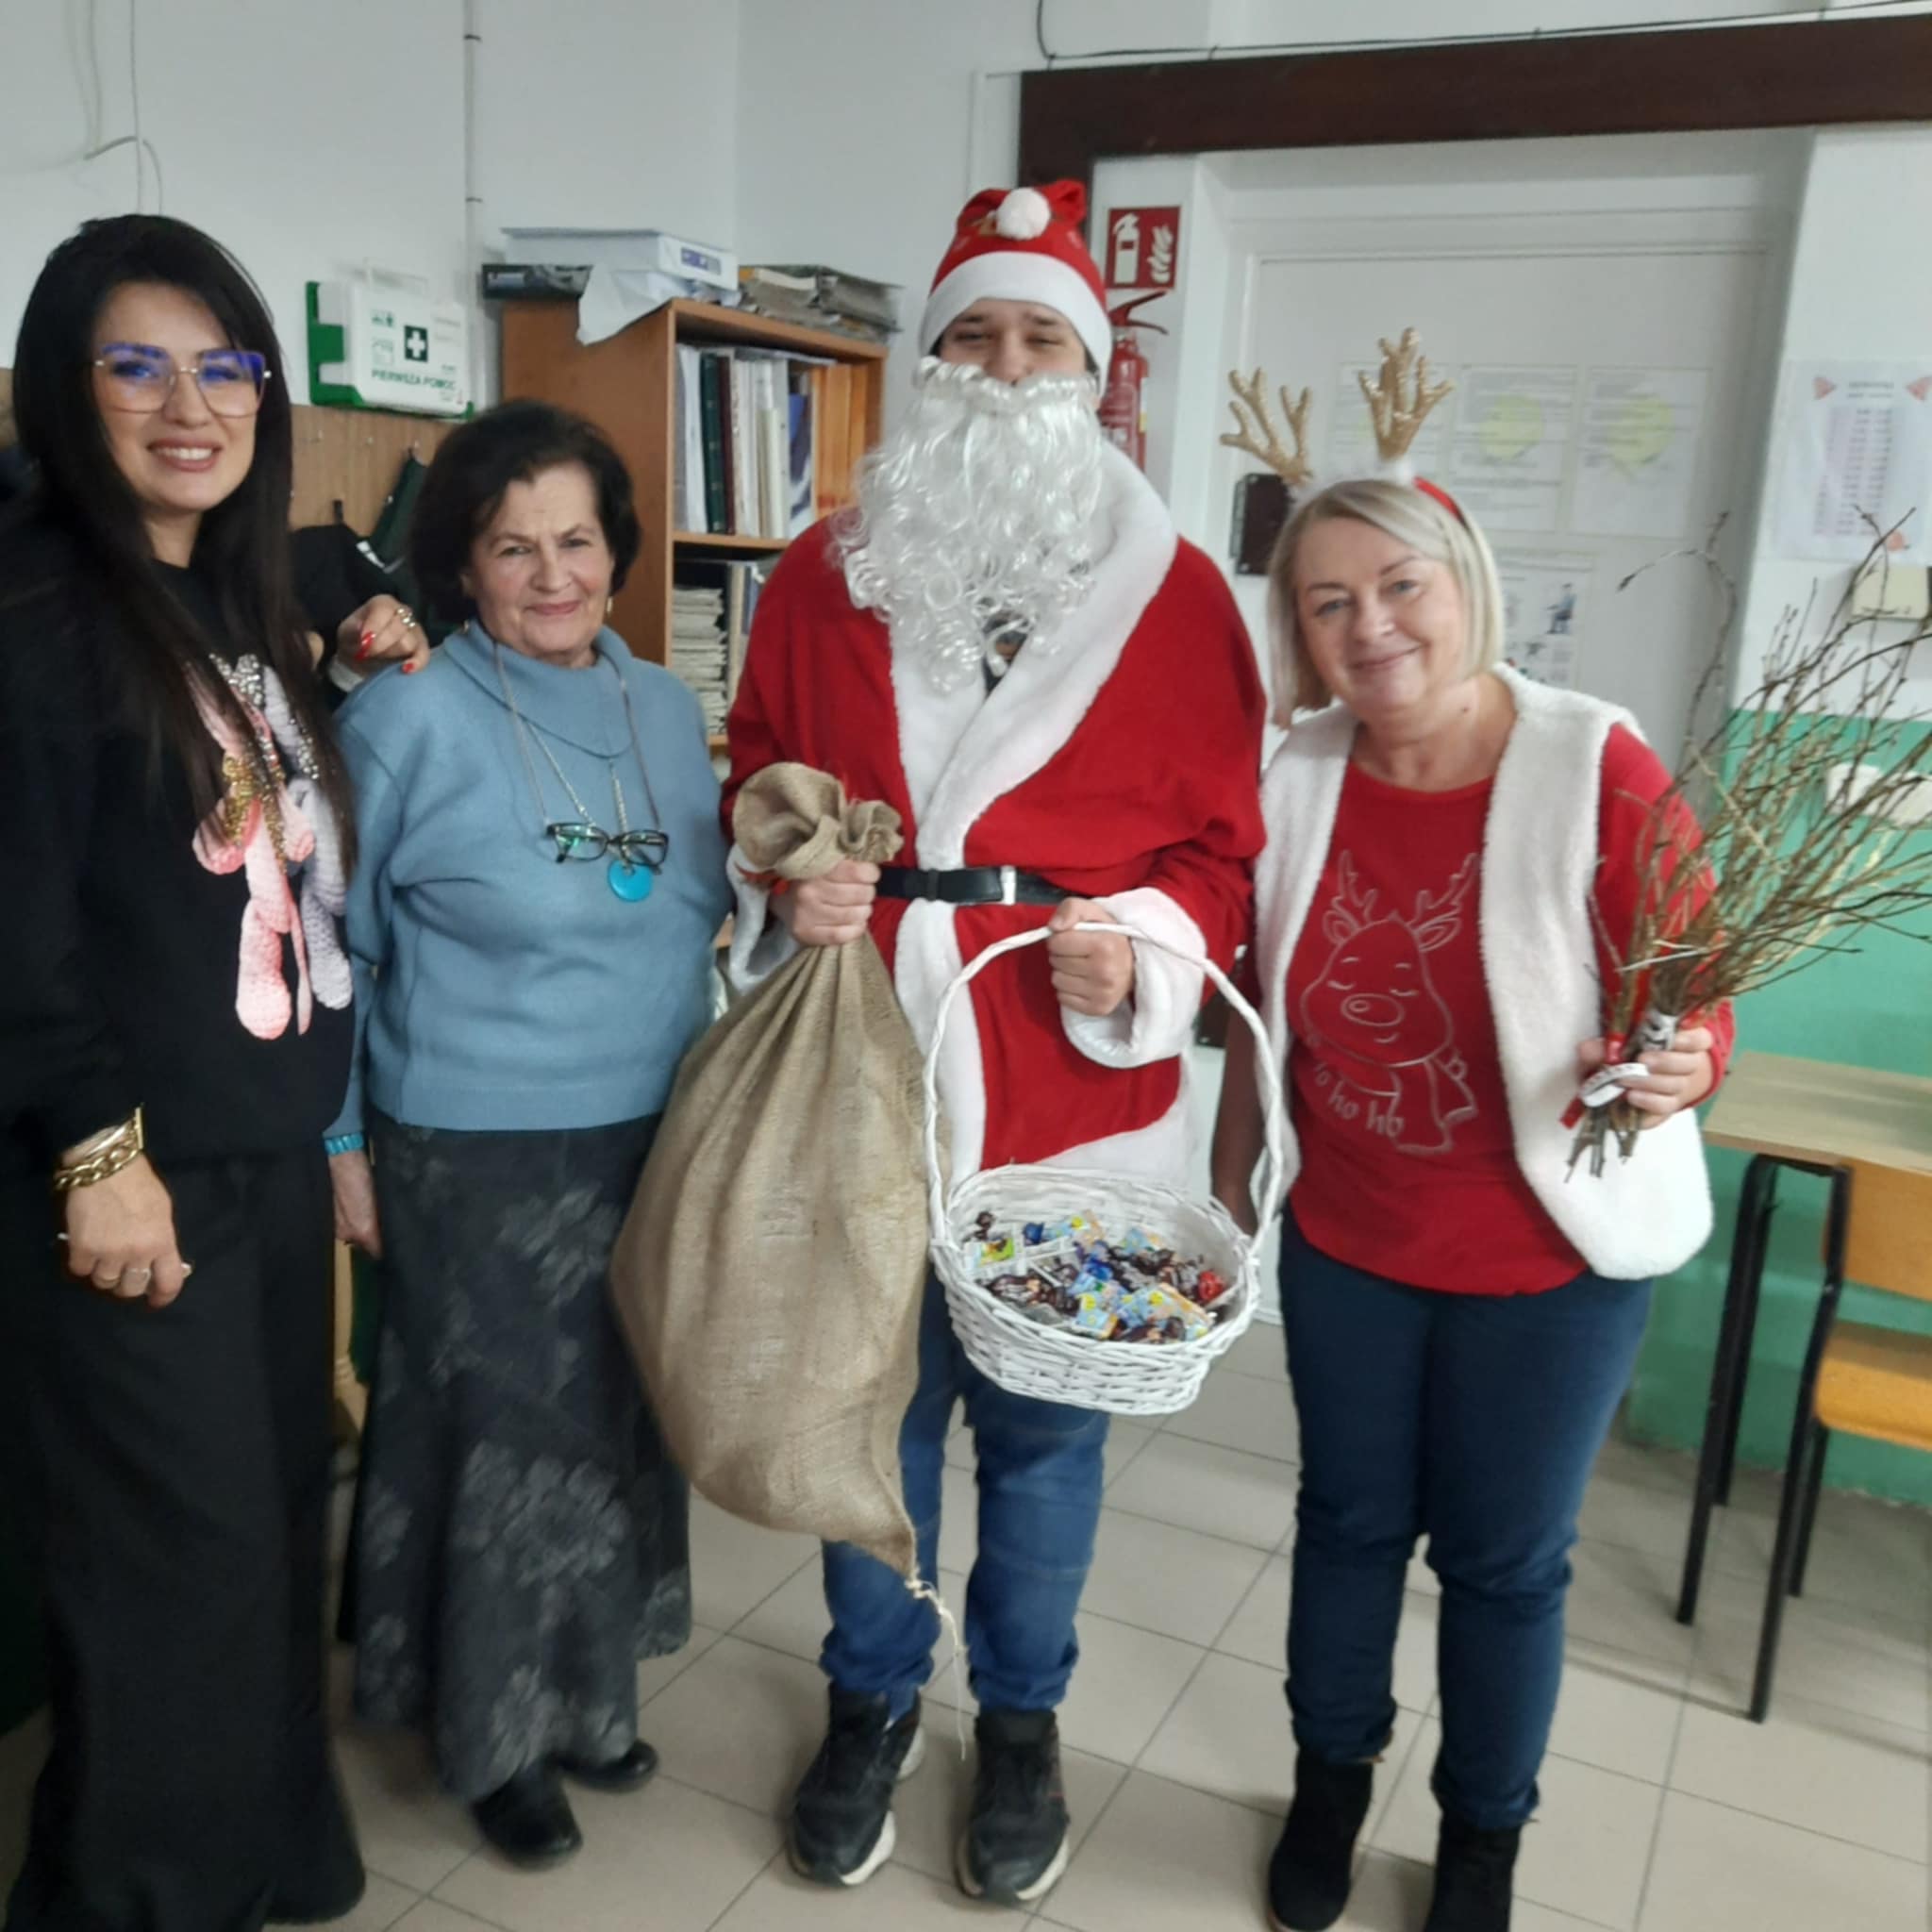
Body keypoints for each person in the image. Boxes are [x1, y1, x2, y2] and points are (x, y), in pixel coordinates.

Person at [724, 180, 1267, 1908]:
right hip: (868, 1045)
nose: (1010, 366)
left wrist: (1149, 947)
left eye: (1045, 339)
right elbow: (756, 776)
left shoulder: (1183, 598)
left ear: (1093, 377)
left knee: (1043, 1436)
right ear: (932, 361)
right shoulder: (823, 576)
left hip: (1066, 1066)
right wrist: (791, 875)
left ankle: (1021, 1722)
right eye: (977, 333)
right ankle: (872, 1701)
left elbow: (1225, 856)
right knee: (868, 1409)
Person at [1210, 472, 1734, 1932]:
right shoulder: (1298, 772)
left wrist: (1689, 1061)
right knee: (1348, 1524)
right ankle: (1329, 1780)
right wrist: (1231, 1174)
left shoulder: (1593, 762)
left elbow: (1694, 988)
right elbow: (1253, 1000)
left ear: (1465, 586)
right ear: (1299, 631)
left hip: (1552, 1262)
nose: (1370, 627)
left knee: (1505, 1566)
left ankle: (1483, 1836)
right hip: (1350, 1241)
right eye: (1329, 602)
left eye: (1401, 587)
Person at [0, 214, 375, 1931]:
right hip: (131, 1182)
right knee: (176, 1588)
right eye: (135, 366)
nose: (189, 405)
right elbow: (16, 923)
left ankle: (264, 1865)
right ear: (59, 391)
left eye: (224, 366)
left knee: (269, 1545)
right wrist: (95, 1150)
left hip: (260, 1165)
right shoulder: (37, 609)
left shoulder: (234, 606)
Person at [325, 400, 729, 1869]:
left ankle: (591, 1692)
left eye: (577, 540)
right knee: (501, 1449)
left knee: (617, 1428)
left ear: (618, 551)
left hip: (654, 1136)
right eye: (513, 548)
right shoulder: (405, 719)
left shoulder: (664, 708)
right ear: (463, 567)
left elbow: (696, 908)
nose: (553, 575)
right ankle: (494, 1737)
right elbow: (328, 950)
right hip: (472, 1147)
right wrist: (338, 1145)